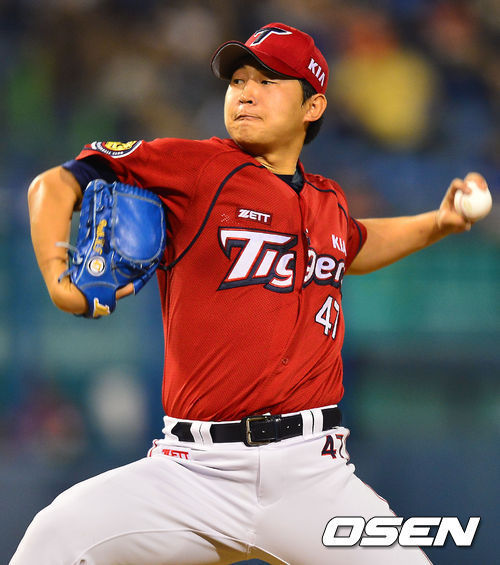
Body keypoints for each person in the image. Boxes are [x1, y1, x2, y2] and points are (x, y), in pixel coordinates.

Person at [12, 22, 485, 565]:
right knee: (53, 538)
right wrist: (58, 275)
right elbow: (54, 183)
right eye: (238, 81)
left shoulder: (327, 200)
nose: (245, 92)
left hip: (311, 475)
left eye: (268, 80)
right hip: (190, 472)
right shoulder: (197, 167)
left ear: (313, 106)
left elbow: (353, 244)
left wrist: (437, 223)